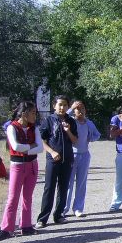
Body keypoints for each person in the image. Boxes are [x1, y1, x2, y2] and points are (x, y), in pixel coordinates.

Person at [0, 101, 43, 242]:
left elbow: (40, 148)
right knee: (13, 197)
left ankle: (26, 226)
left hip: (32, 165)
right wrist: (31, 146)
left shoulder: (34, 128)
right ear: (24, 114)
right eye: (33, 113)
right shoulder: (12, 127)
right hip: (18, 166)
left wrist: (26, 148)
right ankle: (6, 228)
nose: (35, 116)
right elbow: (15, 146)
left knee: (28, 197)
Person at [35, 95, 78, 228]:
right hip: (53, 160)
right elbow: (41, 140)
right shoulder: (48, 120)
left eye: (65, 105)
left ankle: (58, 215)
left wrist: (68, 131)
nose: (62, 107)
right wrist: (52, 152)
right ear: (54, 106)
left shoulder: (71, 121)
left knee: (63, 188)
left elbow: (75, 140)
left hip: (67, 159)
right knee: (49, 188)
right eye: (60, 104)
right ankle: (42, 218)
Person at [64, 101, 101, 218]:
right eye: (78, 109)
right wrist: (71, 108)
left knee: (81, 183)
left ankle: (78, 208)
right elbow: (63, 116)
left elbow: (97, 134)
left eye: (83, 108)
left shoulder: (89, 123)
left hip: (84, 155)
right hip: (72, 155)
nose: (80, 111)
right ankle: (64, 209)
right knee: (68, 183)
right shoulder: (71, 121)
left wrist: (91, 138)